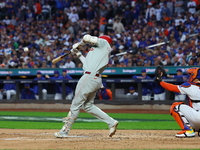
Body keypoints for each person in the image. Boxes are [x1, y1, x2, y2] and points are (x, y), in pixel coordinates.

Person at [54, 34, 118, 138]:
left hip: (89, 78)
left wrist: (79, 44)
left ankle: (64, 131)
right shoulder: (98, 52)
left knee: (76, 104)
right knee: (88, 105)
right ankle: (111, 122)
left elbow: (87, 38)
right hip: (94, 78)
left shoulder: (104, 43)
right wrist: (78, 53)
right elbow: (86, 64)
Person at [154, 67, 200, 138]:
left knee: (175, 106)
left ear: (195, 76)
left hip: (198, 118)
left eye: (191, 75)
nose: (189, 77)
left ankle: (188, 130)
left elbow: (172, 88)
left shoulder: (190, 86)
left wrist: (160, 82)